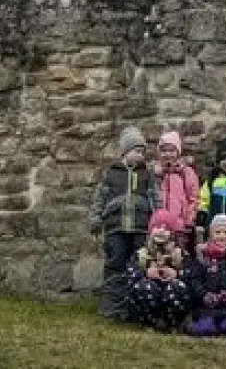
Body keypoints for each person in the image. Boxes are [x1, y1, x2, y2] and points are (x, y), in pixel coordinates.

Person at [87, 126, 155, 321]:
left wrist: (157, 222)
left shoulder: (146, 175)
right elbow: (99, 199)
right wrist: (95, 222)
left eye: (143, 152)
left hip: (140, 228)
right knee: (114, 266)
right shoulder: (111, 174)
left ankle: (134, 308)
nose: (141, 155)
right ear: (125, 152)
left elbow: (156, 199)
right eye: (137, 151)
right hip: (115, 228)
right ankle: (111, 308)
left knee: (138, 266)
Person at [184, 214, 226, 337]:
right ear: (211, 234)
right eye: (218, 232)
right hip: (206, 308)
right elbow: (195, 279)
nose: (222, 236)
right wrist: (204, 295)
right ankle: (191, 324)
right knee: (206, 329)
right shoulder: (203, 256)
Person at [127, 209, 192, 332]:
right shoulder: (141, 253)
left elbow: (192, 278)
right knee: (144, 287)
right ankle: (149, 323)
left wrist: (176, 274)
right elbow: (130, 277)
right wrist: (145, 273)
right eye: (157, 227)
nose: (161, 231)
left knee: (178, 286)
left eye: (166, 228)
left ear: (172, 233)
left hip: (171, 297)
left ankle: (173, 324)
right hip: (150, 297)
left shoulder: (181, 254)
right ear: (151, 230)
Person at [154, 130, 201, 254]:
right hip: (158, 228)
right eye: (164, 151)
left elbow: (194, 199)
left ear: (178, 152)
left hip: (180, 226)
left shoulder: (187, 173)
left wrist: (189, 221)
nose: (167, 154)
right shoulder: (155, 174)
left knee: (179, 257)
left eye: (171, 150)